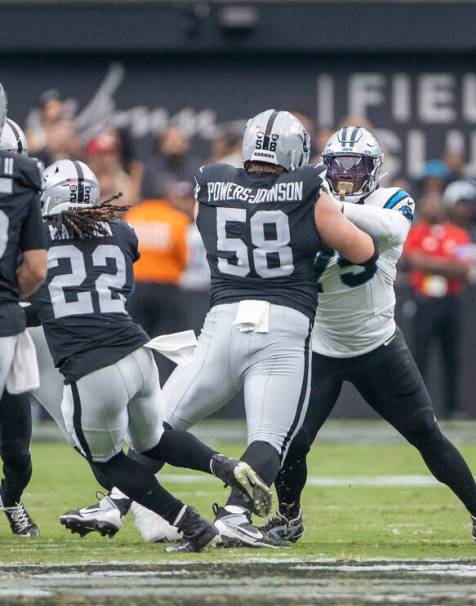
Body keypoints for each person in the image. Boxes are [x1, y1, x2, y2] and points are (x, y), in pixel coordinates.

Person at [65, 110, 378, 548]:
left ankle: (114, 503)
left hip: (222, 324)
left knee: (161, 427)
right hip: (283, 325)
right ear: (294, 151)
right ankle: (235, 514)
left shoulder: (210, 184)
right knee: (270, 437)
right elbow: (362, 250)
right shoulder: (308, 189)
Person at [260, 127, 476, 545]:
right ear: (323, 167)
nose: (346, 175)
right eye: (337, 167)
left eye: (357, 167)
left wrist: (324, 205)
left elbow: (392, 229)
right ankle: (289, 518)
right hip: (320, 346)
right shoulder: (308, 202)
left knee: (426, 434)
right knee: (293, 440)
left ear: (375, 171)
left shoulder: (387, 201)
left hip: (378, 344)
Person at [35, 160, 271, 552]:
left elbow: (41, 295)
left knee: (107, 462)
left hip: (92, 367)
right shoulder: (121, 230)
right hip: (137, 353)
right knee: (154, 440)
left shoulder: (37, 242)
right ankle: (225, 466)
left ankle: (191, 523)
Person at [0, 84, 49, 537]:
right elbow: (36, 269)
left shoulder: (31, 200)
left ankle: (9, 500)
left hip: (8, 322)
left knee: (18, 449)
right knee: (17, 446)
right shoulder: (27, 184)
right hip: (7, 320)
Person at [403, 192, 476, 419]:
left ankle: (453, 408)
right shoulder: (416, 233)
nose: (432, 207)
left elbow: (464, 268)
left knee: (452, 355)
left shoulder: (457, 234)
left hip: (451, 300)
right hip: (425, 300)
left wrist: (430, 263)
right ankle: (416, 407)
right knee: (419, 355)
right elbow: (414, 259)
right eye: (428, 203)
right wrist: (447, 264)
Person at [124, 180, 192, 336]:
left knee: (136, 338)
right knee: (168, 339)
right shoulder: (176, 219)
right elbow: (184, 257)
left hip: (136, 287)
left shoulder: (132, 216)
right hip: (167, 288)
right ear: (167, 195)